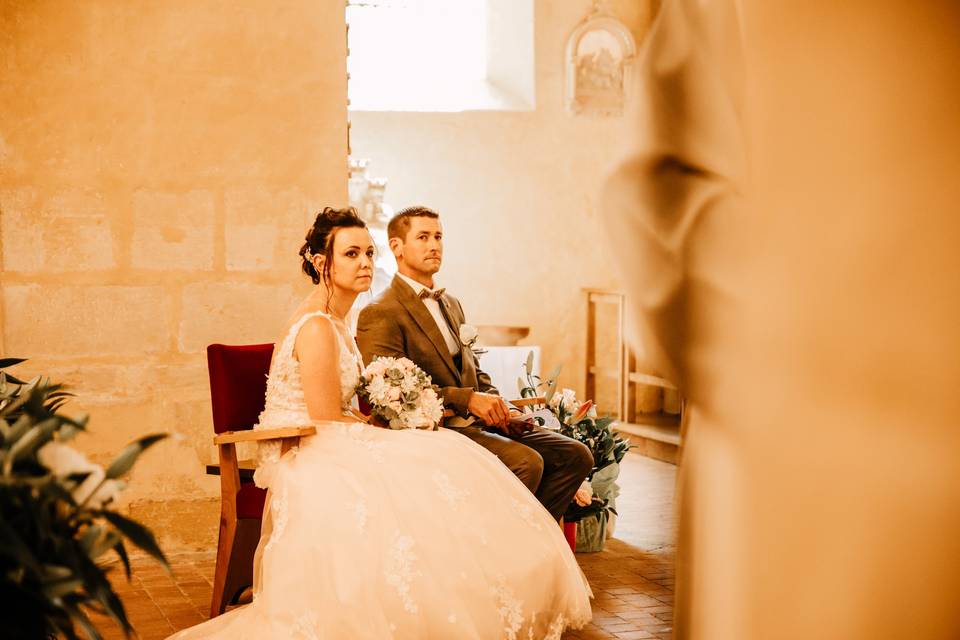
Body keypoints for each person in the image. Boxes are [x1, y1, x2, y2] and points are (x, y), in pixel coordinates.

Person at [169, 207, 591, 640]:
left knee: (437, 454)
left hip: (330, 439)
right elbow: (326, 418)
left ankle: (491, 580)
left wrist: (399, 417)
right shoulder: (316, 326)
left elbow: (346, 410)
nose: (366, 263)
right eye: (351, 254)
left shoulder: (340, 323)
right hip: (309, 453)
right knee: (434, 461)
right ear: (322, 263)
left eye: (369, 253)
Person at [356, 206, 594, 521]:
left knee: (576, 455)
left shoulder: (451, 304)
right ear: (397, 247)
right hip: (439, 430)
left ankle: (532, 542)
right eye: (423, 237)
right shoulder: (381, 311)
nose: (434, 246)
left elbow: (474, 370)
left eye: (438, 236)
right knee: (528, 462)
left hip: (481, 423)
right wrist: (467, 399)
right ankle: (506, 551)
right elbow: (388, 398)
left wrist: (503, 407)